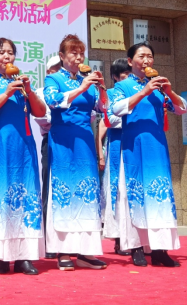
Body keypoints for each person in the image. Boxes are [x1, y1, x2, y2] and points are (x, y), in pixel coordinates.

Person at [0, 38, 46, 275]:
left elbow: (41, 112)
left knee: (25, 198)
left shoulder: (22, 83)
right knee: (0, 199)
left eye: (10, 53)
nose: (7, 57)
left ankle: (25, 257)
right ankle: (1, 257)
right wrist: (5, 94)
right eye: (1, 53)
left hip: (23, 149)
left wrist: (29, 91)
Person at [110, 42, 187, 267]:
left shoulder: (160, 87)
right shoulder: (123, 86)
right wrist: (144, 92)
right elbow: (116, 109)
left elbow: (181, 108)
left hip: (157, 148)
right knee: (134, 195)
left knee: (159, 196)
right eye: (141, 56)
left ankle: (160, 249)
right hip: (133, 148)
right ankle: (136, 247)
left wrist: (169, 91)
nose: (146, 60)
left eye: (150, 56)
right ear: (130, 61)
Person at [44, 34, 108, 271]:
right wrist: (82, 88)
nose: (79, 57)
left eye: (81, 53)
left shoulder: (87, 80)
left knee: (86, 191)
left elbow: (103, 108)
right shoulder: (54, 79)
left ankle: (85, 252)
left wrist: (101, 88)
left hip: (84, 140)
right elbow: (52, 101)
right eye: (73, 52)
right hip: (63, 140)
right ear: (62, 56)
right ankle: (63, 251)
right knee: (64, 191)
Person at [97, 58, 131, 256]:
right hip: (118, 145)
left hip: (137, 145)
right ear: (115, 77)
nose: (128, 78)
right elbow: (109, 120)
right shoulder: (110, 94)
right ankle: (119, 239)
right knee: (118, 190)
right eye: (124, 75)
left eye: (130, 74)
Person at [33, 55, 61, 260]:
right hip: (51, 140)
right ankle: (49, 242)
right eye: (57, 68)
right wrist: (66, 118)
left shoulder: (78, 87)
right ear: (50, 71)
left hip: (75, 141)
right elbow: (41, 118)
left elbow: (91, 115)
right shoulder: (41, 92)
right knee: (49, 189)